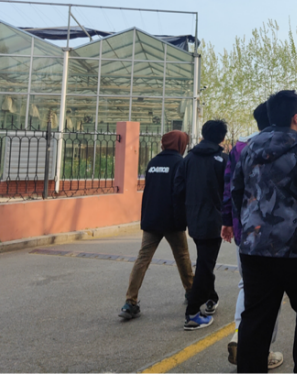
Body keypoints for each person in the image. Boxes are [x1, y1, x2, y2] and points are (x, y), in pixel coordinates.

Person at [232, 90, 297, 374]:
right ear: (296, 117)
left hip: (255, 248)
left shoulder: (248, 147)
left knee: (255, 319)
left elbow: (237, 191)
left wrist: (247, 231)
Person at [221, 102, 283, 370]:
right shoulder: (288, 144)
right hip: (278, 231)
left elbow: (229, 186)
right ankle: (263, 349)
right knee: (273, 290)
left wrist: (227, 221)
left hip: (244, 228)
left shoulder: (239, 147)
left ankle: (240, 334)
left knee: (247, 284)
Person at [120, 130, 194, 320]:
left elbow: (149, 192)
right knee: (182, 256)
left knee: (142, 259)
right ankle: (191, 292)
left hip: (152, 219)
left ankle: (130, 302)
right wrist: (183, 219)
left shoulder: (153, 162)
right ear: (180, 144)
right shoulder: (180, 163)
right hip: (171, 219)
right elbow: (180, 193)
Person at [175, 119, 228, 331]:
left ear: (204, 135)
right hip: (214, 220)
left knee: (206, 261)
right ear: (222, 137)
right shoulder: (223, 160)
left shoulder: (188, 159)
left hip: (194, 219)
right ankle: (192, 313)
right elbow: (230, 191)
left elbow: (178, 189)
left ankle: (211, 297)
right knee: (206, 265)